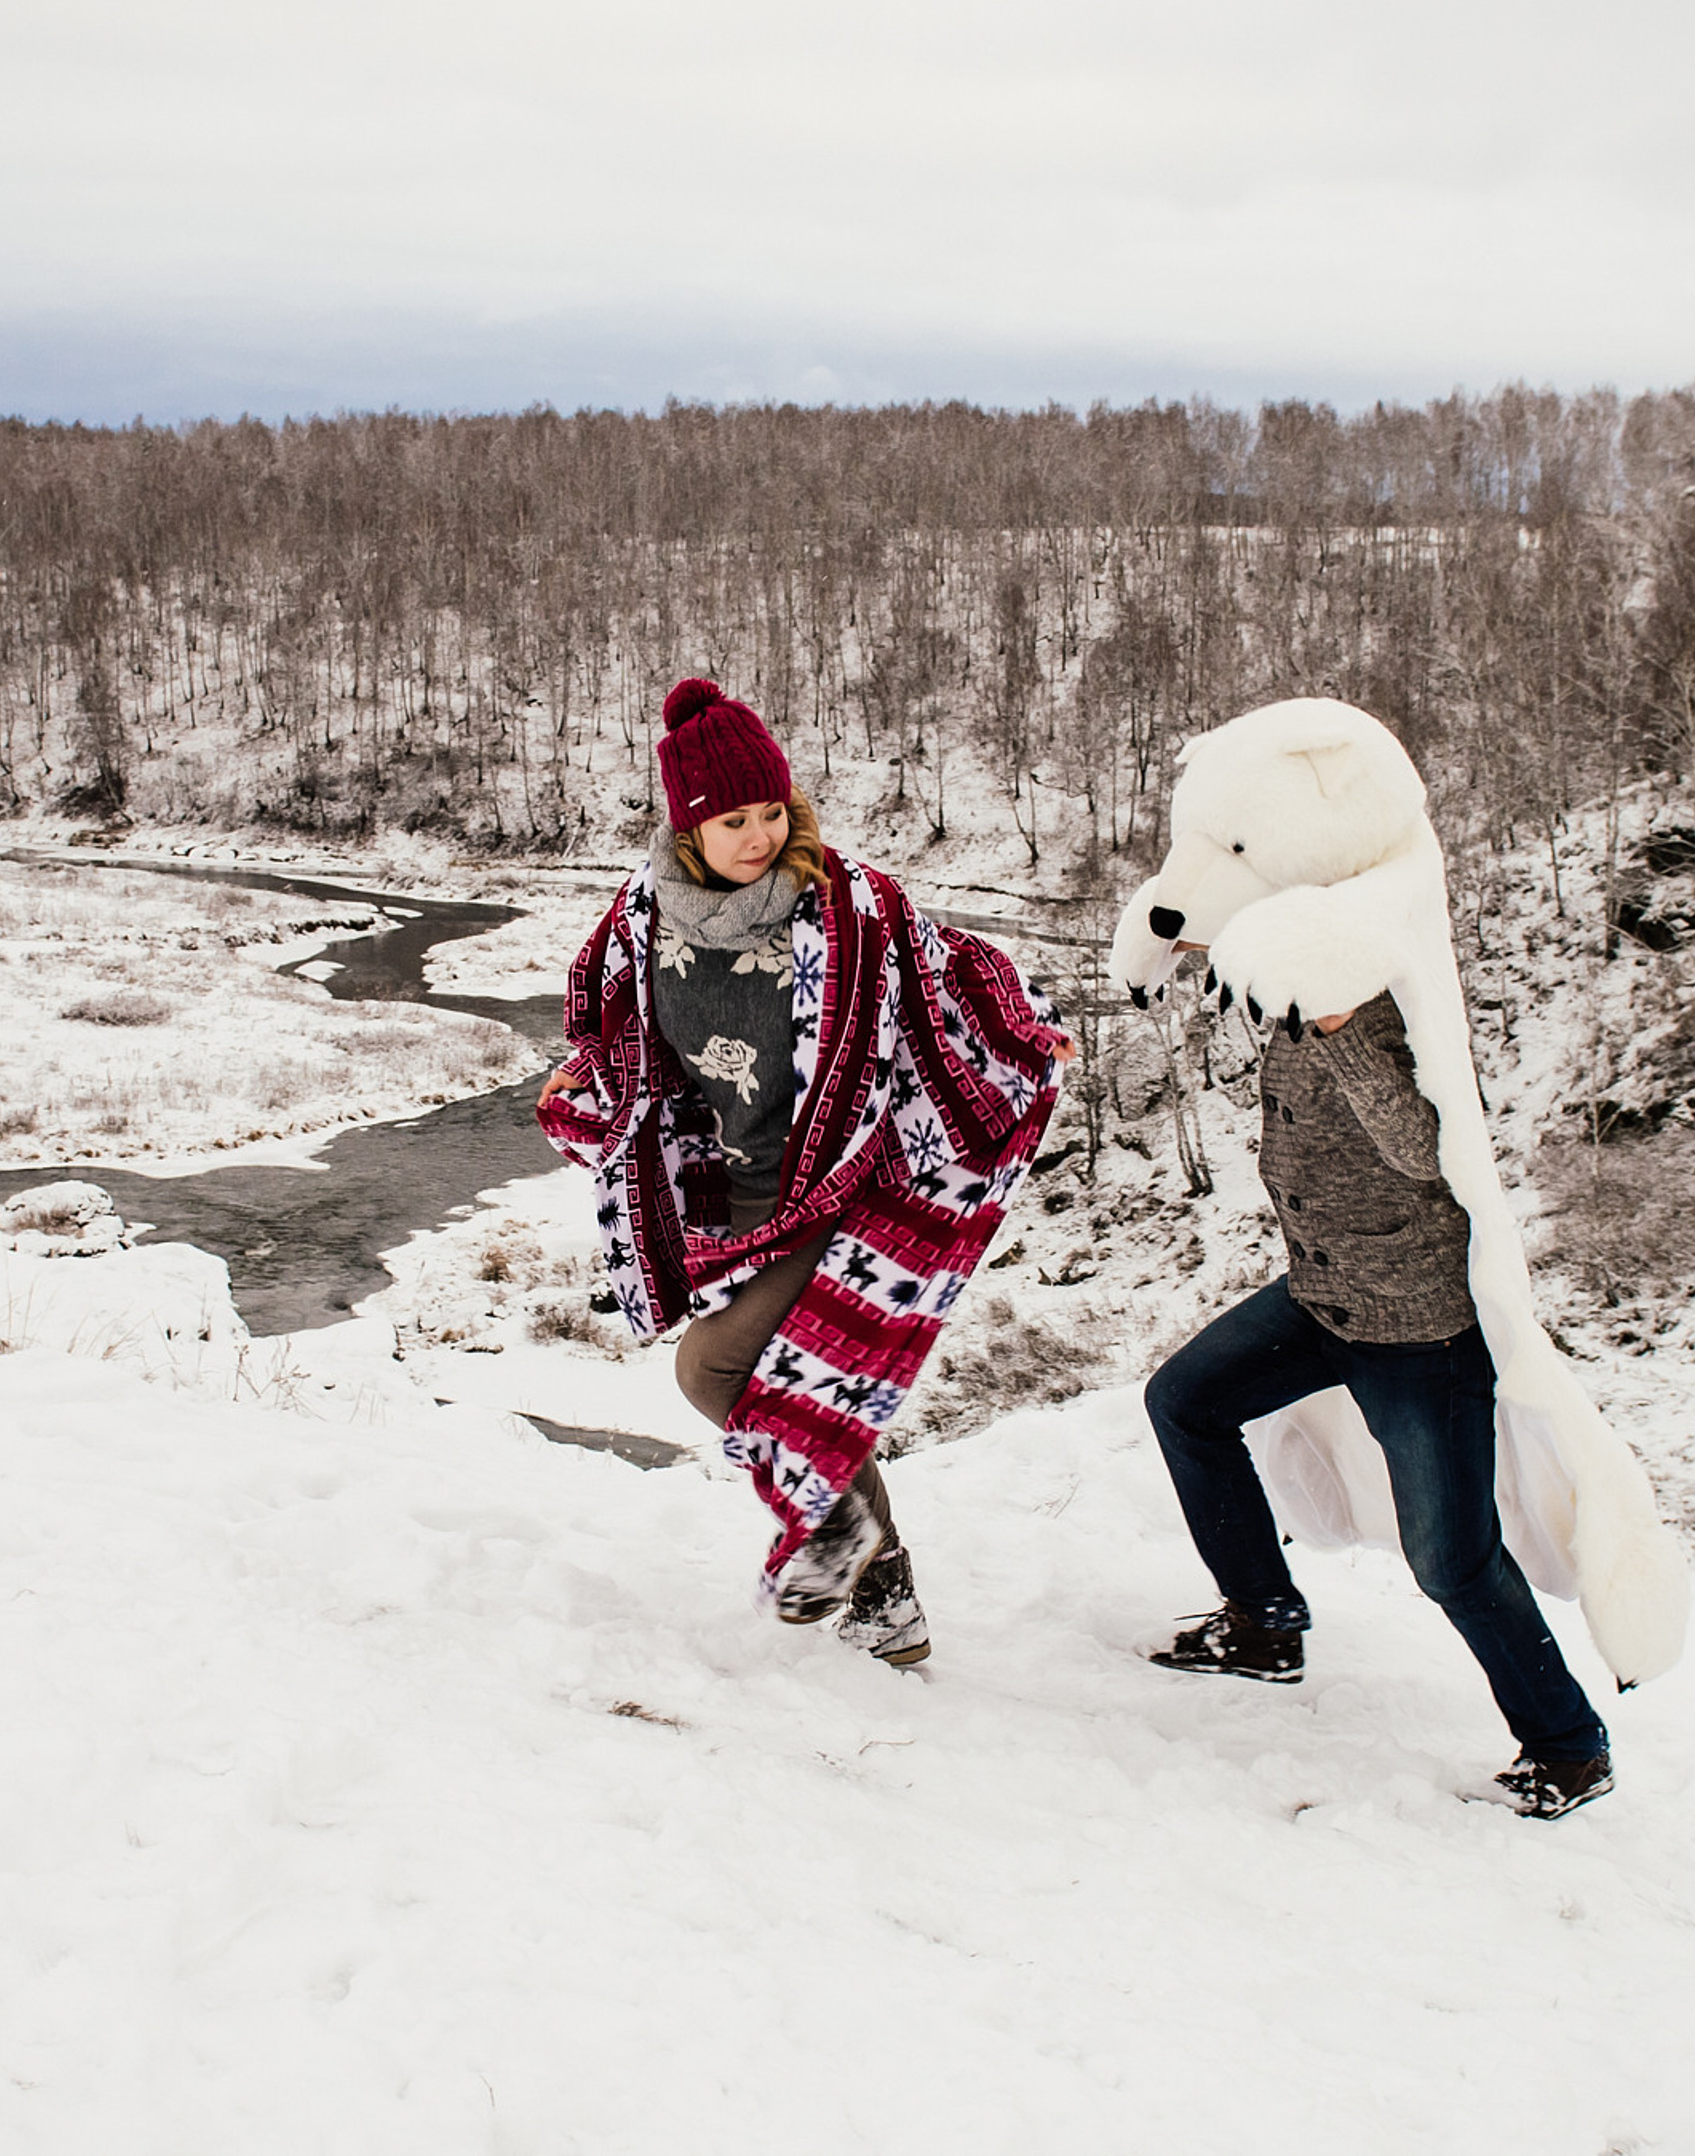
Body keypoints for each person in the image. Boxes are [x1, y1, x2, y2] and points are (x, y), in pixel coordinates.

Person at [537, 678, 1072, 1656]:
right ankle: (882, 1592)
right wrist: (593, 1084)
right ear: (688, 825)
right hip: (731, 1204)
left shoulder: (852, 904)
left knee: (713, 1369)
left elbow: (951, 972)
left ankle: (846, 1540)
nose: (756, 834)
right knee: (783, 1383)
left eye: (771, 812)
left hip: (845, 1191)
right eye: (732, 818)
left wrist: (1015, 1030)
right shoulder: (643, 915)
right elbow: (607, 1009)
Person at [1142, 971, 1614, 1819]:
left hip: (1416, 1327)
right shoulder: (1281, 978)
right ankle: (1263, 1624)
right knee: (1185, 1401)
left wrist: (1341, 1023)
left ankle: (1568, 1749)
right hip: (1322, 1294)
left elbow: (1427, 1150)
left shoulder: (1393, 996)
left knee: (1452, 1562)